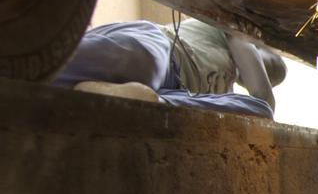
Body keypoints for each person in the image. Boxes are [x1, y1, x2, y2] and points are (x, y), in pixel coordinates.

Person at [52, 18, 286, 118]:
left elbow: (263, 105)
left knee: (259, 113)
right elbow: (265, 95)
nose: (268, 76)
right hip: (164, 52)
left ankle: (148, 101)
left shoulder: (227, 93)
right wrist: (245, 38)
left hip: (171, 92)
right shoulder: (229, 31)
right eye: (269, 69)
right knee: (144, 63)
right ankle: (37, 65)